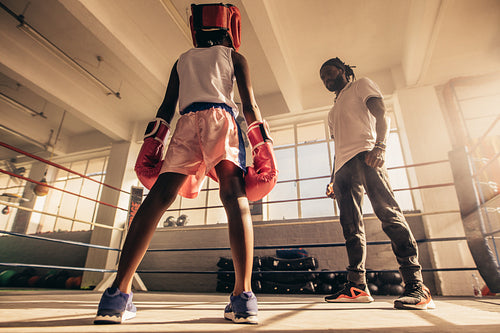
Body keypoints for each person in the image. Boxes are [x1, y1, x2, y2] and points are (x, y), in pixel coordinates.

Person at [94, 3, 277, 325]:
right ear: (228, 31)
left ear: (198, 30)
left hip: (186, 124)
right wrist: (262, 143)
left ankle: (116, 297)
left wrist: (153, 142)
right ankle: (243, 298)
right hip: (223, 120)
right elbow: (249, 104)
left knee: (158, 199)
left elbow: (165, 107)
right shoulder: (234, 57)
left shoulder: (183, 59)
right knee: (235, 198)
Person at [319, 57, 435, 310]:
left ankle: (417, 285)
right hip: (343, 168)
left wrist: (381, 146)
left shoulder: (361, 85)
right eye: (323, 78)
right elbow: (337, 148)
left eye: (330, 73)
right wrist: (332, 178)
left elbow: (382, 114)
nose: (327, 79)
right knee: (351, 228)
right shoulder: (331, 112)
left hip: (367, 155)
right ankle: (357, 286)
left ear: (343, 70)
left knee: (389, 216)